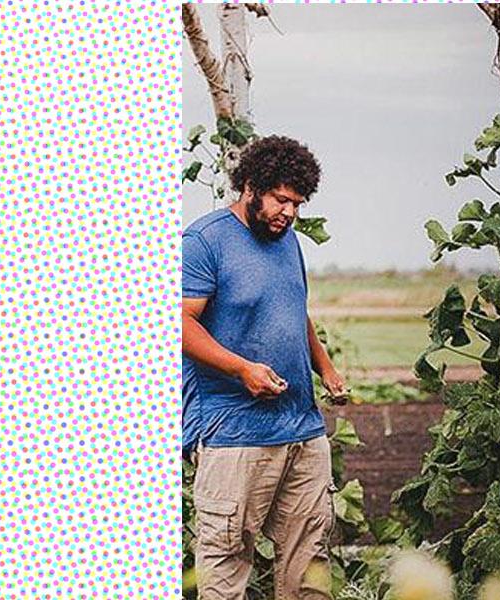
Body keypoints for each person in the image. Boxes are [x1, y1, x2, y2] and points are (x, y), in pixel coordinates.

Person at [182, 135, 347, 600]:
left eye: (297, 203)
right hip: (234, 433)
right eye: (280, 199)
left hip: (302, 429)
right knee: (226, 568)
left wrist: (325, 368)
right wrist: (241, 369)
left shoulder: (288, 242)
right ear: (250, 186)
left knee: (310, 565)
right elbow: (178, 323)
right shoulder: (204, 241)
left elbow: (295, 310)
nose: (289, 212)